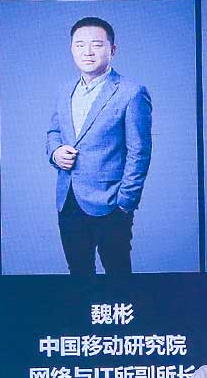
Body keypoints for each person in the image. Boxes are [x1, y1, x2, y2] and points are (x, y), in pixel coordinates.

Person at [47, 16, 151, 275]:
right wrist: (55, 152)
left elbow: (139, 152)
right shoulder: (64, 91)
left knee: (118, 276)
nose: (88, 51)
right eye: (80, 45)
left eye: (96, 44)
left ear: (112, 50)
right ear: (71, 49)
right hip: (68, 200)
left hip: (111, 203)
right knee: (78, 274)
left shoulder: (131, 92)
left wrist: (125, 203)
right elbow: (54, 132)